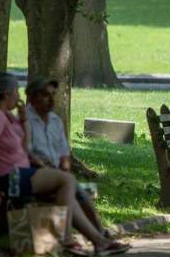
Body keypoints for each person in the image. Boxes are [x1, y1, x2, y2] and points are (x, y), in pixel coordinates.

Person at [0, 73, 130, 257]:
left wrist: (23, 122)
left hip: (18, 174)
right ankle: (64, 238)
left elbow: (23, 148)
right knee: (67, 180)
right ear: (7, 94)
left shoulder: (4, 115)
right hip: (11, 178)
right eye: (16, 91)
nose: (18, 96)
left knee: (67, 190)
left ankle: (100, 242)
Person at [25, 78, 108, 232]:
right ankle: (89, 236)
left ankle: (100, 235)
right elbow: (26, 153)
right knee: (75, 191)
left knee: (78, 190)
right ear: (31, 98)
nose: (50, 100)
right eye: (45, 95)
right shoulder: (24, 120)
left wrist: (64, 169)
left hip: (58, 174)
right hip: (37, 173)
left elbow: (64, 154)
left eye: (53, 95)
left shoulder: (55, 120)